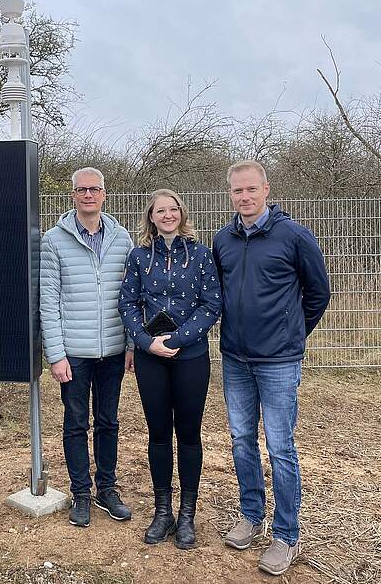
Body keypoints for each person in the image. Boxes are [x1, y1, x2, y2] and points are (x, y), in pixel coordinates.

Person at [213, 160, 330, 576]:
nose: (244, 197)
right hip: (235, 359)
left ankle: (286, 535)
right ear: (230, 194)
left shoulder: (294, 236)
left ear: (266, 189)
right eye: (236, 191)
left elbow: (318, 293)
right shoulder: (222, 239)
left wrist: (291, 333)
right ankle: (251, 514)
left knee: (280, 448)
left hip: (279, 361)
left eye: (251, 189)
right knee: (241, 439)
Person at [118, 189, 221, 549]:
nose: (167, 215)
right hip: (151, 359)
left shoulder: (201, 254)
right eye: (160, 210)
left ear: (182, 213)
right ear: (151, 216)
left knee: (189, 435)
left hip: (190, 357)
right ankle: (163, 512)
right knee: (159, 434)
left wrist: (176, 340)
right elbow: (127, 303)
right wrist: (148, 344)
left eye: (172, 209)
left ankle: (187, 514)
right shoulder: (138, 256)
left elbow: (211, 304)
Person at [40, 167, 134, 528]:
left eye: (95, 189)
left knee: (108, 421)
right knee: (76, 422)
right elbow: (48, 300)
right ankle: (81, 492)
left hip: (112, 349)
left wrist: (129, 344)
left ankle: (106, 488)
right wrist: (56, 354)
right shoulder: (54, 239)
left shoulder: (121, 238)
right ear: (73, 195)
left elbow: (131, 297)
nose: (88, 195)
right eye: (82, 190)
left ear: (105, 194)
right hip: (74, 354)